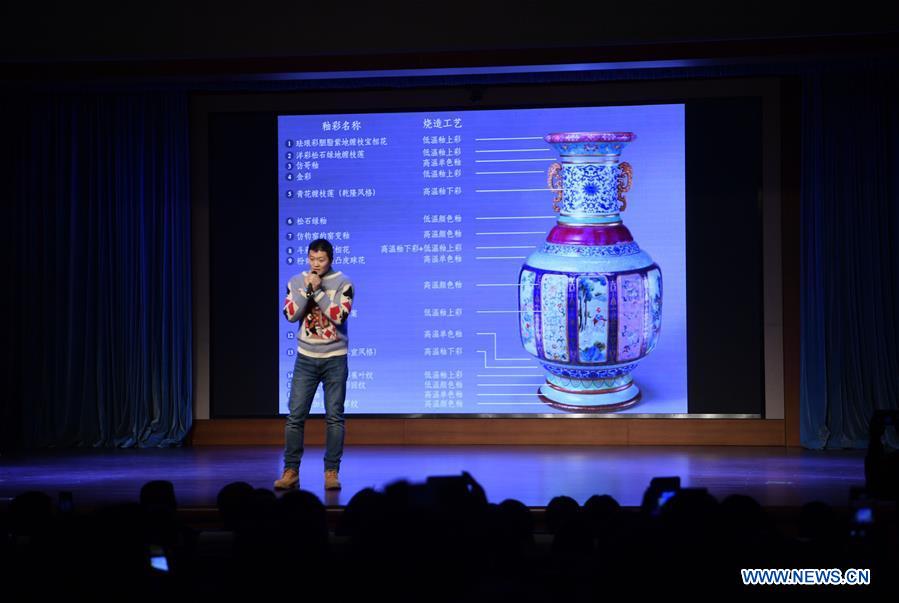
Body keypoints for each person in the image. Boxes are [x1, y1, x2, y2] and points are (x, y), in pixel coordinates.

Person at [275, 239, 354, 491]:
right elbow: (290, 315)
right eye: (312, 259)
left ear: (330, 259)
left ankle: (331, 471)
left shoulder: (344, 283)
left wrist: (318, 292)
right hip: (305, 359)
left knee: (334, 418)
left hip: (335, 359)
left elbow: (339, 316)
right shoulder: (297, 281)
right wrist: (308, 291)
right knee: (295, 417)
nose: (315, 264)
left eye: (320, 260)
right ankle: (291, 471)